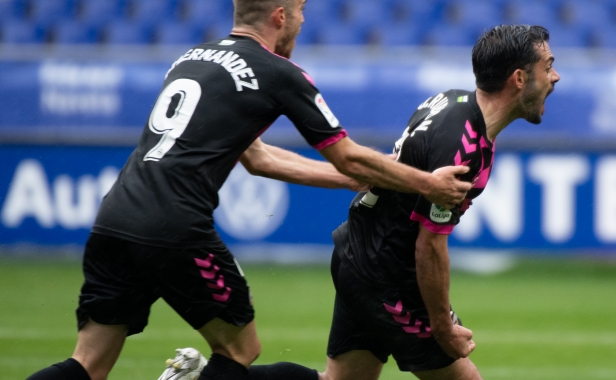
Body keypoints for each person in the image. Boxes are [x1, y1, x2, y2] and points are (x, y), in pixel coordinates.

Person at [25, 0, 473, 379]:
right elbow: (348, 154)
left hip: (115, 217)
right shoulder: (277, 72)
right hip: (175, 224)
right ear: (280, 16)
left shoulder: (193, 57)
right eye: (299, 11)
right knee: (240, 350)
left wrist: (356, 180)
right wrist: (426, 183)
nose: (302, 20)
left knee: (89, 361)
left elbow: (258, 158)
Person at [319, 25, 560, 380]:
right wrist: (441, 325)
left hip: (359, 251)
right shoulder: (463, 149)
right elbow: (429, 246)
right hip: (382, 272)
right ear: (520, 78)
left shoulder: (450, 100)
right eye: (548, 65)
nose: (555, 76)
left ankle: (219, 372)